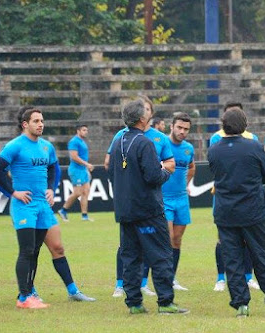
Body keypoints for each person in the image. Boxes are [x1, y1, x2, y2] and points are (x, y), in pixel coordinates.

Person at [108, 99, 188, 315]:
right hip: (148, 211)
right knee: (161, 254)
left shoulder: (118, 141)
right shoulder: (145, 143)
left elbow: (111, 173)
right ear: (143, 119)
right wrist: (167, 171)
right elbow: (154, 176)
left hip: (125, 210)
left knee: (131, 256)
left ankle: (134, 303)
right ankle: (165, 303)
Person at [208, 107, 265, 317]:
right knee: (261, 256)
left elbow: (216, 175)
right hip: (253, 211)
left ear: (223, 126)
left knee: (232, 259)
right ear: (245, 125)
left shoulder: (214, 149)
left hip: (226, 212)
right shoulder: (254, 147)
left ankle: (241, 304)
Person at [0, 107, 57, 309]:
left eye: (42, 120)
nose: (41, 124)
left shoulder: (47, 147)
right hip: (24, 206)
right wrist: (13, 193)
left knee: (36, 251)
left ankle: (29, 292)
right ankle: (23, 298)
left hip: (42, 205)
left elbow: (53, 169)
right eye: (36, 121)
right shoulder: (15, 146)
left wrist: (51, 189)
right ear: (25, 124)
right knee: (26, 250)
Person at [210, 101, 260, 292]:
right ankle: (221, 278)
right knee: (223, 238)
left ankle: (248, 277)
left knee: (247, 238)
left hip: (246, 197)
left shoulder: (252, 138)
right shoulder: (215, 138)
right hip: (224, 195)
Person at [163, 113, 195, 291]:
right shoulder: (161, 144)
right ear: (172, 127)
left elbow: (191, 167)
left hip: (181, 199)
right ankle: (160, 279)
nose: (182, 132)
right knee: (166, 239)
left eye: (186, 129)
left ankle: (172, 278)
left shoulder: (188, 148)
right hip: (164, 199)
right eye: (179, 128)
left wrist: (186, 185)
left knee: (177, 240)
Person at [57, 124, 94, 222]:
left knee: (86, 192)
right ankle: (63, 210)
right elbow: (74, 157)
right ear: (78, 131)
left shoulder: (82, 142)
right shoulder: (74, 142)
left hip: (83, 170)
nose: (86, 132)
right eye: (84, 130)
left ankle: (84, 216)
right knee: (77, 192)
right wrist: (87, 164)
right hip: (76, 170)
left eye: (86, 130)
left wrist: (86, 169)